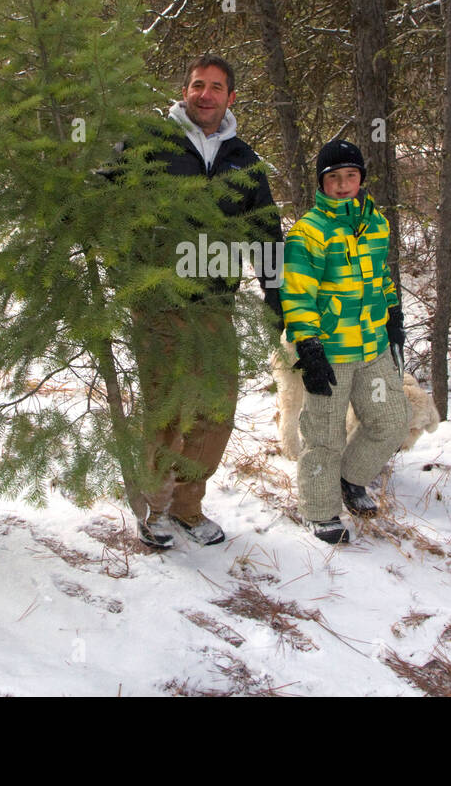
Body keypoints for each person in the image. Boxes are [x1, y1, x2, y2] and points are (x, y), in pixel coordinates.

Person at [124, 54, 285, 549]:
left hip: (215, 303)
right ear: (184, 91)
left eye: (216, 87)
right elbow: (105, 199)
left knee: (216, 412)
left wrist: (277, 299)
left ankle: (188, 507)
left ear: (231, 98)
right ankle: (154, 508)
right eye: (198, 85)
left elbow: (265, 233)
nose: (206, 95)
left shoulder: (244, 160)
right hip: (159, 302)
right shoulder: (151, 144)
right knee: (164, 408)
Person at [281, 139, 409, 544]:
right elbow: (297, 294)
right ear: (322, 182)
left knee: (391, 422)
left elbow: (381, 276)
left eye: (350, 176)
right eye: (333, 178)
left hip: (372, 347)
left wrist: (392, 315)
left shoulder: (376, 224)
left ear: (361, 179)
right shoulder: (309, 232)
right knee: (323, 436)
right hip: (330, 352)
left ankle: (350, 478)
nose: (342, 184)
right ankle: (319, 510)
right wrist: (309, 347)